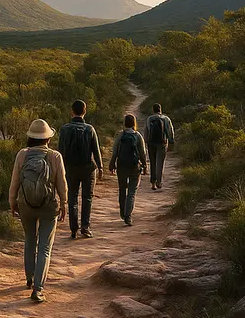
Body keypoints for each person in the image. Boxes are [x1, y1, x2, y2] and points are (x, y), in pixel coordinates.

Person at [9, 119, 67, 303]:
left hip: (25, 204)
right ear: (48, 138)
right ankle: (38, 289)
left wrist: (12, 201)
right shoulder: (55, 156)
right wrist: (64, 202)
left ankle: (29, 277)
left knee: (29, 240)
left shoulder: (22, 155)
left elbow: (15, 181)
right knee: (44, 248)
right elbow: (62, 183)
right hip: (49, 206)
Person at [58, 99, 103, 239]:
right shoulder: (90, 129)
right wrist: (100, 166)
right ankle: (85, 227)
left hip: (70, 168)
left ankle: (73, 228)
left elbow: (60, 151)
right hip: (88, 168)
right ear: (85, 111)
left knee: (72, 197)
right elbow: (96, 150)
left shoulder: (64, 129)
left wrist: (60, 169)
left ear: (72, 111)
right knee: (87, 198)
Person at [109, 113, 148, 226]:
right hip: (134, 167)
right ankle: (128, 215)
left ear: (124, 123)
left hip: (122, 166)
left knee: (122, 190)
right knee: (132, 192)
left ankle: (122, 212)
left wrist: (112, 165)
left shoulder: (120, 136)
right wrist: (145, 165)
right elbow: (142, 153)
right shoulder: (138, 136)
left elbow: (115, 151)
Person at [144, 103, 175, 190]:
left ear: (153, 110)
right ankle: (159, 182)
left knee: (152, 163)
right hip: (162, 143)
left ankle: (153, 183)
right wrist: (171, 141)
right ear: (160, 109)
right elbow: (170, 131)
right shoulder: (166, 119)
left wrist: (145, 142)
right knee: (160, 163)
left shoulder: (149, 119)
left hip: (151, 143)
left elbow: (146, 131)